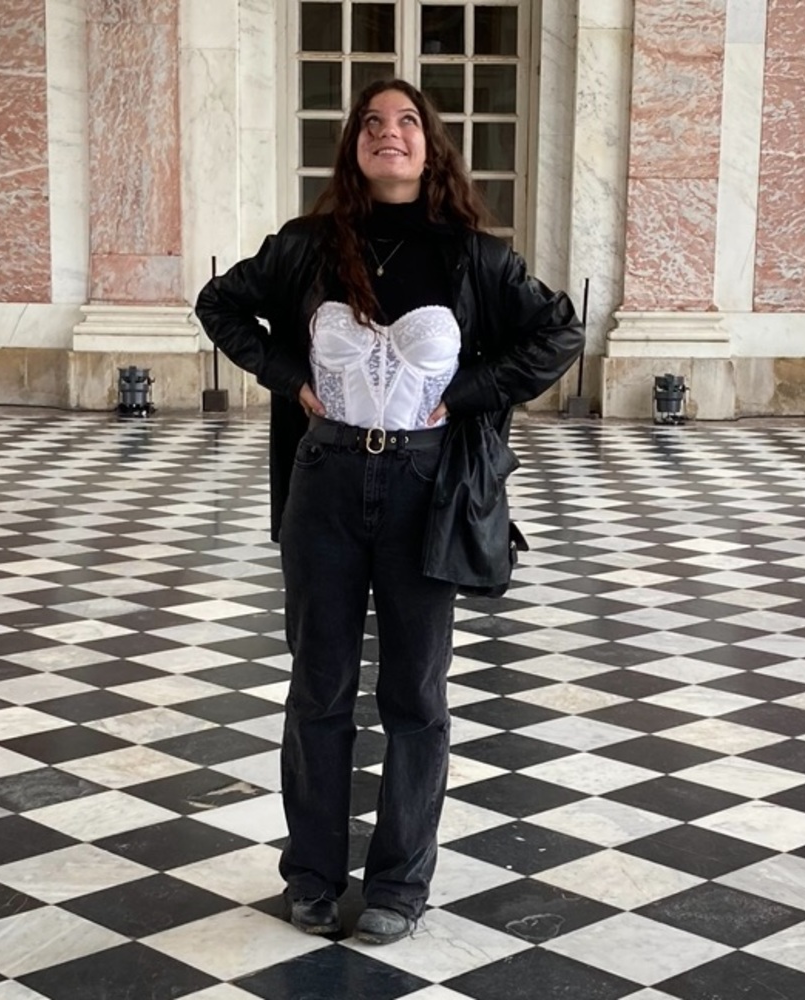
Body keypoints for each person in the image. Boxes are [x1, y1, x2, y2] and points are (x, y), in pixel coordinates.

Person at [194, 78, 584, 945]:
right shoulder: (306, 246)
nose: (389, 135)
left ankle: (401, 886)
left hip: (424, 490)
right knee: (319, 689)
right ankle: (313, 879)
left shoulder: (472, 256)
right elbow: (219, 304)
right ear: (355, 146)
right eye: (372, 123)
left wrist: (473, 391)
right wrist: (290, 380)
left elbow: (557, 332)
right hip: (326, 484)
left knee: (415, 694)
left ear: (429, 144)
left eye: (406, 121)